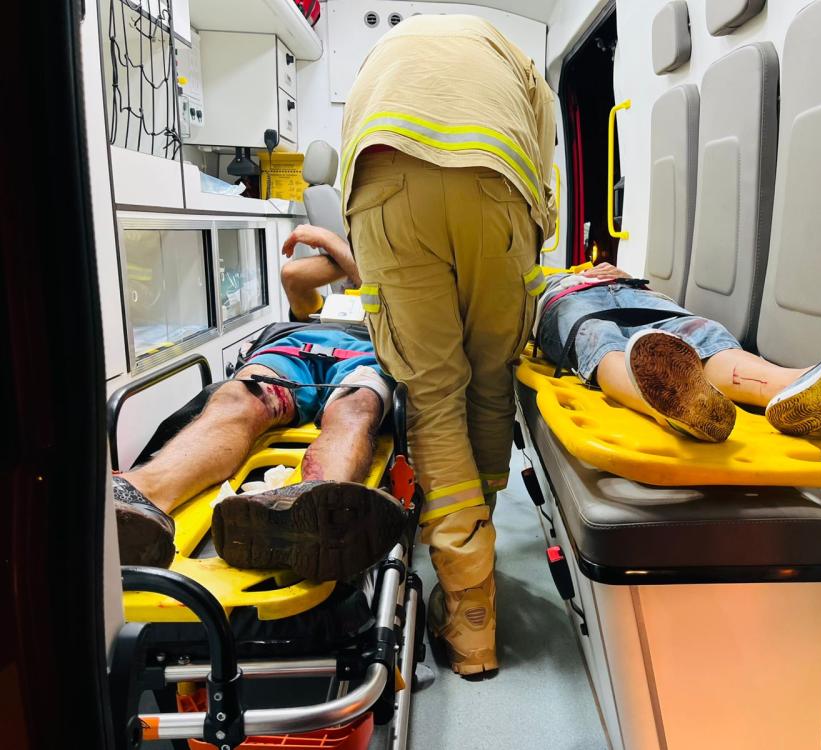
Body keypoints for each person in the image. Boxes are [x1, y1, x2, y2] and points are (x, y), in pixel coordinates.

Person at [340, 15, 557, 675]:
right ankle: (477, 581)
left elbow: (351, 154)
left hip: (384, 181)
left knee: (434, 398)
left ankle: (468, 607)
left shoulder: (378, 57)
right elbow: (543, 162)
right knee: (491, 382)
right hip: (499, 183)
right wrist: (528, 237)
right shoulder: (513, 55)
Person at [112, 327, 405, 582]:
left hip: (369, 359)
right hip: (289, 352)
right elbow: (298, 290)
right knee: (238, 398)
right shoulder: (287, 328)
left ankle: (312, 508)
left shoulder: (389, 331)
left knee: (357, 407)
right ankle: (133, 496)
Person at [537, 263, 821, 441]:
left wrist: (617, 274)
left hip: (634, 291)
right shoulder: (544, 281)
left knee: (703, 334)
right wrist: (560, 282)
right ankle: (671, 405)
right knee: (599, 339)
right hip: (569, 299)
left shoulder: (608, 270)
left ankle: (798, 385)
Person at [280, 224, 360, 322]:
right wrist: (349, 260)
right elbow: (292, 275)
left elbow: (375, 280)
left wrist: (329, 240)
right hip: (340, 319)